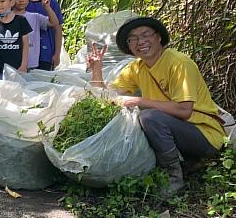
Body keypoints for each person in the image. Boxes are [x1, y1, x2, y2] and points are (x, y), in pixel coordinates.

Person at [88, 18, 225, 198]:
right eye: (133, 39)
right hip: (177, 129)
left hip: (205, 134)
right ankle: (186, 162)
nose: (140, 42)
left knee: (149, 117)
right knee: (141, 117)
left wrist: (139, 101)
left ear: (159, 37)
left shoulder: (178, 63)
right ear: (129, 46)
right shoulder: (136, 68)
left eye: (145, 35)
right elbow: (106, 98)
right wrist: (96, 70)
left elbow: (184, 111)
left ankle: (173, 177)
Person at [12, 0, 59, 70]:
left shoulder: (35, 17)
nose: (21, 0)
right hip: (11, 63)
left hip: (31, 63)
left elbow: (54, 23)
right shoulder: (7, 17)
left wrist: (47, 8)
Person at [25, 0, 64, 70]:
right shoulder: (21, 2)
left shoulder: (52, 3)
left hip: (46, 53)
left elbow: (58, 29)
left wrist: (57, 53)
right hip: (25, 52)